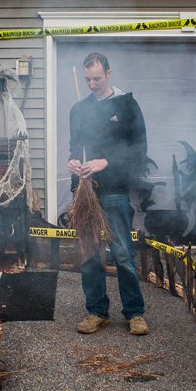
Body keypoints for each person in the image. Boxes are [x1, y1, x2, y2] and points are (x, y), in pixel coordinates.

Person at [68, 52, 149, 336]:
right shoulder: (79, 109)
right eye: (88, 79)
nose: (92, 84)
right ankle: (96, 311)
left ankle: (135, 313)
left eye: (97, 78)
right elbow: (74, 148)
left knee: (123, 253)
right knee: (90, 254)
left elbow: (140, 151)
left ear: (109, 73)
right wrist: (74, 163)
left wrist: (107, 162)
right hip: (86, 192)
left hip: (114, 189)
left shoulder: (126, 105)